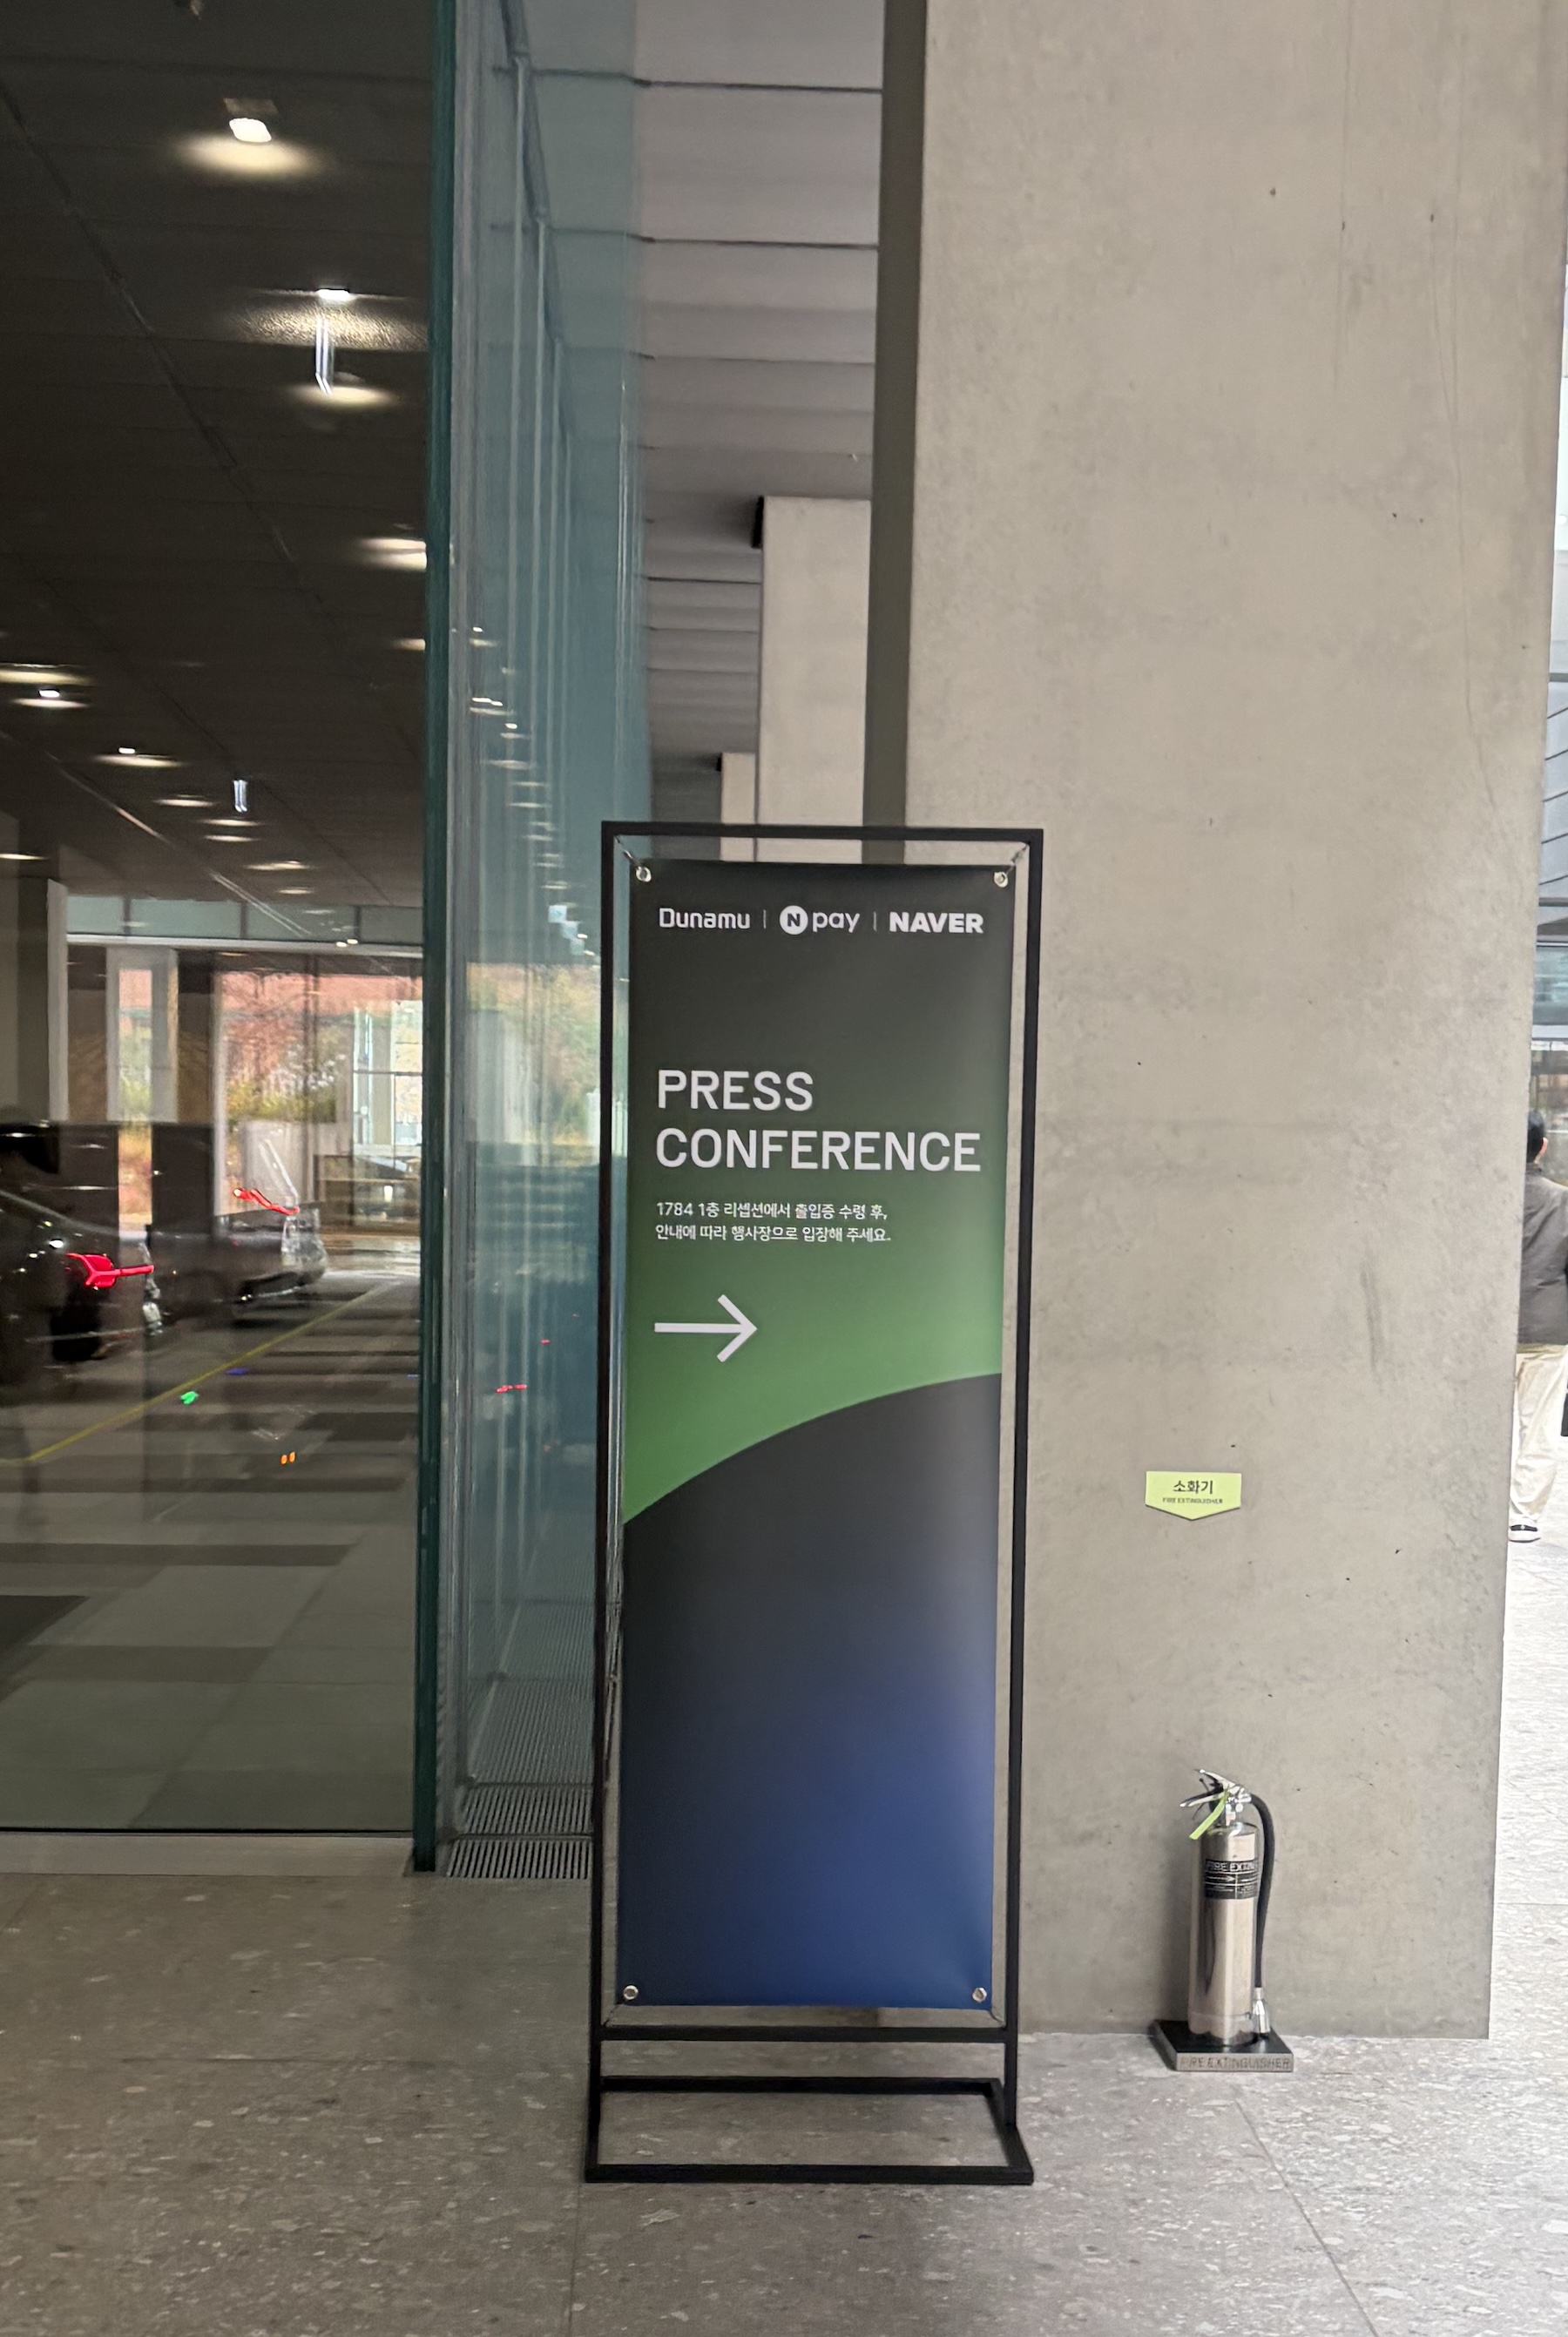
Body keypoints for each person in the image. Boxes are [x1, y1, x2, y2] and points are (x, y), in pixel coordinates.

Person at [1511, 1110, 1568, 1543]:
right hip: (1549, 1328)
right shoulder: (1562, 1201)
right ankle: (1523, 1517)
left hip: (1485, 1329)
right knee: (1540, 1426)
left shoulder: (1481, 1198)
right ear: (1542, 1147)